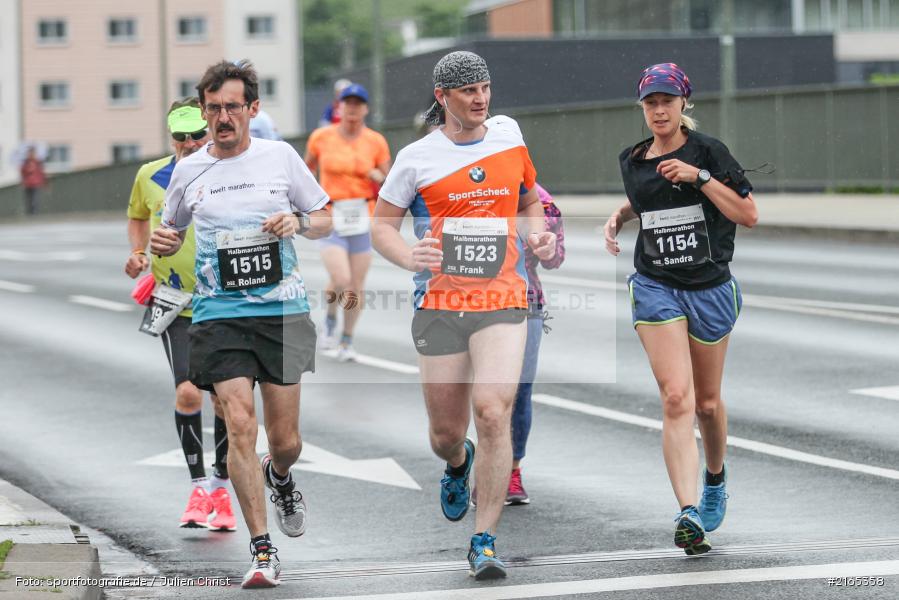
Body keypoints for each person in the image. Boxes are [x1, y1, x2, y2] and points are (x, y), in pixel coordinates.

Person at [372, 51, 556, 580]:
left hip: (503, 297)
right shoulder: (416, 158)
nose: (481, 99)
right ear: (442, 97)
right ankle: (457, 463)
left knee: (494, 410)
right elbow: (381, 226)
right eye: (469, 91)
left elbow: (526, 201)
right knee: (445, 432)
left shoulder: (509, 135)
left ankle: (485, 539)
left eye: (485, 88)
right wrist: (411, 256)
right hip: (441, 305)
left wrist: (536, 233)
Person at [150, 59, 331, 589]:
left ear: (252, 109)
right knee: (238, 425)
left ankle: (281, 477)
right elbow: (172, 231)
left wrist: (298, 221)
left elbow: (324, 218)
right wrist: (163, 242)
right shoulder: (188, 170)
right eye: (213, 109)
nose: (222, 117)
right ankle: (261, 549)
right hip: (218, 313)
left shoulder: (281, 157)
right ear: (203, 113)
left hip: (281, 312)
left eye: (232, 106)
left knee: (286, 440)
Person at [603, 63, 758, 555]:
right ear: (642, 108)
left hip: (709, 286)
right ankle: (688, 510)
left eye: (667, 100)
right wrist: (621, 214)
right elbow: (648, 201)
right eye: (650, 102)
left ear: (683, 103)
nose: (658, 110)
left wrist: (700, 176)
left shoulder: (708, 151)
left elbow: (747, 214)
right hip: (656, 285)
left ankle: (714, 477)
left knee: (707, 404)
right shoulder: (632, 159)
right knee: (676, 398)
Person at [125, 98, 236, 532]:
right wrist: (137, 253)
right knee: (189, 393)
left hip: (227, 299)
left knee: (225, 399)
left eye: (197, 134)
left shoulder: (232, 171)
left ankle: (221, 486)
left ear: (210, 128)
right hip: (175, 298)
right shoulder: (150, 175)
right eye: (180, 136)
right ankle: (198, 488)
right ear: (170, 135)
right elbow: (137, 217)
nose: (189, 143)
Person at [305, 83, 391, 360]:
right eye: (348, 103)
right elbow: (306, 172)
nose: (352, 109)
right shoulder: (321, 137)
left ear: (366, 109)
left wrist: (378, 176)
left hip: (363, 216)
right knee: (340, 278)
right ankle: (330, 319)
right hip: (332, 215)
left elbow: (390, 181)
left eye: (358, 104)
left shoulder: (375, 141)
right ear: (339, 107)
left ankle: (346, 340)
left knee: (355, 284)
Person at [507, 182, 565, 505]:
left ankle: (511, 470)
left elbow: (556, 259)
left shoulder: (542, 201)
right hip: (469, 301)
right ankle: (465, 459)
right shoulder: (466, 187)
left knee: (519, 390)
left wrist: (548, 246)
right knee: (480, 391)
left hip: (525, 302)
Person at [20, 147, 47, 216]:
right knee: (28, 200)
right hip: (28, 184)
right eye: (29, 153)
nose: (31, 155)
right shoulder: (25, 163)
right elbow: (22, 173)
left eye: (32, 153)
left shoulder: (38, 163)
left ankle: (34, 214)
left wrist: (44, 183)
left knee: (35, 200)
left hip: (35, 184)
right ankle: (29, 214)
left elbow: (41, 173)